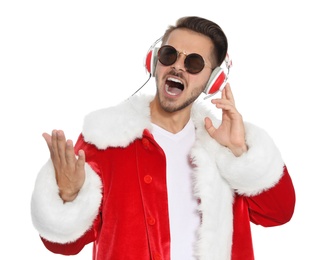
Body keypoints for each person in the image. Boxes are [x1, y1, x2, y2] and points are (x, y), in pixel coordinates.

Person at [31, 16, 296, 260]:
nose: (178, 67)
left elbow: (279, 213)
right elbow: (63, 245)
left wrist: (239, 151)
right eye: (169, 55)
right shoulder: (105, 140)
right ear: (155, 62)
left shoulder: (222, 146)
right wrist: (68, 195)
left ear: (212, 81)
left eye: (194, 63)